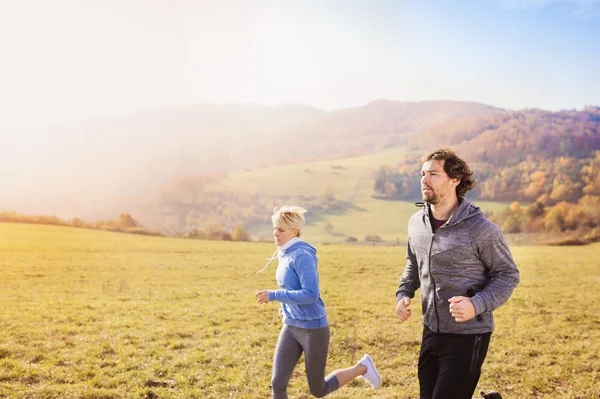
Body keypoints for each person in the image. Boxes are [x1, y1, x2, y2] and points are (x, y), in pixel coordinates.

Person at [395, 148, 520, 399]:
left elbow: (508, 274)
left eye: (433, 173)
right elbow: (414, 262)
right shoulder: (415, 223)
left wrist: (476, 305)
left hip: (468, 335)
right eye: (422, 173)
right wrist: (404, 292)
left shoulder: (481, 229)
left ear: (455, 179)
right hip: (431, 328)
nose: (424, 179)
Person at [256, 205, 381, 399]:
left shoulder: (302, 256)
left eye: (280, 229)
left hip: (313, 329)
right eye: (274, 228)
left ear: (294, 231)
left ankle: (363, 367)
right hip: (290, 326)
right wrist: (285, 307)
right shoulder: (285, 253)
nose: (275, 233)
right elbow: (290, 286)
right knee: (277, 384)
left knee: (318, 389)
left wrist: (274, 296)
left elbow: (310, 294)